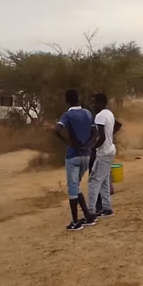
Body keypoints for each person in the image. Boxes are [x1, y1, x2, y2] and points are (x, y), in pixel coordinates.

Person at [55, 89, 98, 231]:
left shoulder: (67, 115)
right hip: (86, 155)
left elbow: (57, 129)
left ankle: (75, 221)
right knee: (76, 187)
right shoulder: (87, 113)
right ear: (78, 99)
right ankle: (87, 215)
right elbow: (95, 132)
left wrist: (69, 143)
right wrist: (87, 146)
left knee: (72, 189)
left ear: (66, 100)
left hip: (73, 155)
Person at [87, 93, 118, 219]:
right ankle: (107, 208)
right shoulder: (109, 113)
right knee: (104, 180)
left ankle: (91, 211)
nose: (93, 106)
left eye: (94, 103)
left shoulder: (99, 116)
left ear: (100, 103)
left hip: (103, 152)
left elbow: (101, 137)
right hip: (110, 150)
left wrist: (92, 147)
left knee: (93, 181)